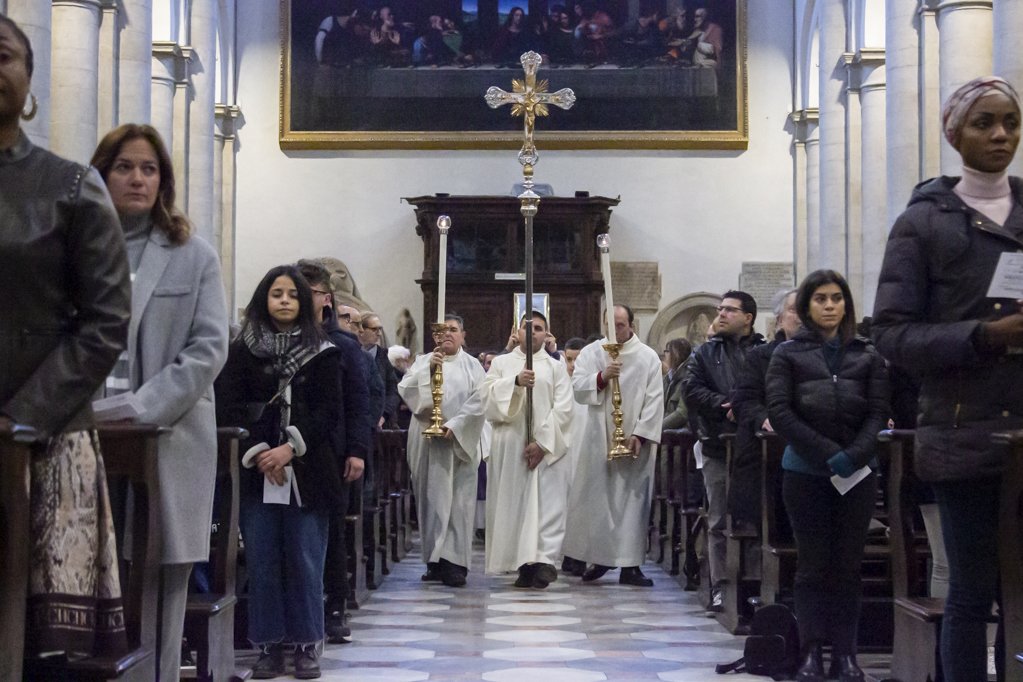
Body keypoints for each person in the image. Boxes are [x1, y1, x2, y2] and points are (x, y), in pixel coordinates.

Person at [872, 76, 1023, 682]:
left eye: (1011, 123)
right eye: (985, 123)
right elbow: (892, 334)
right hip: (965, 435)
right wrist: (984, 336)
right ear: (954, 132)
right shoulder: (925, 222)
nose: (1001, 135)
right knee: (972, 593)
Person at [0, 14, 131, 663]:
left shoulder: (70, 186)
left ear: (28, 82)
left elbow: (106, 320)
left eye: (2, 55)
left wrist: (22, 418)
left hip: (41, 436)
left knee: (36, 648)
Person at [90, 123, 230, 680]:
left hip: (167, 437)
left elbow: (208, 348)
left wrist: (141, 410)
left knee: (161, 580)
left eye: (149, 168)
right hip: (85, 431)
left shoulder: (192, 255)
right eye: (124, 166)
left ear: (164, 181)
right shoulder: (75, 247)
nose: (137, 178)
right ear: (102, 173)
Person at [215, 265, 352, 679]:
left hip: (307, 470)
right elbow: (228, 404)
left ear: (305, 302)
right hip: (258, 470)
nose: (286, 301)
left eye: (293, 294)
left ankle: (307, 645)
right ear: (264, 298)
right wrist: (260, 451)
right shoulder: (242, 350)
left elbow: (330, 411)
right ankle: (269, 647)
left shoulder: (325, 351)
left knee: (305, 559)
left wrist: (289, 448)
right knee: (262, 561)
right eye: (277, 294)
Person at [766, 270, 889, 682]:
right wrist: (827, 452)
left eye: (837, 298)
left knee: (848, 566)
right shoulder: (786, 354)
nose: (830, 305)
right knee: (814, 566)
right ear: (806, 306)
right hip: (805, 472)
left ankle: (846, 656)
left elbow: (877, 412)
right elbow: (781, 412)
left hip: (857, 474)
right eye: (820, 298)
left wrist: (854, 455)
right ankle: (811, 654)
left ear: (847, 304)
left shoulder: (867, 353)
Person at [295, 259, 370, 644]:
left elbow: (359, 401)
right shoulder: (283, 340)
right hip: (290, 453)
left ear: (326, 299)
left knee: (333, 531)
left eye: (305, 292)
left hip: (333, 451)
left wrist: (356, 450)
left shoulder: (341, 345)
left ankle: (335, 605)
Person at [562, 305, 664, 586]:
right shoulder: (592, 353)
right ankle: (601, 559)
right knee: (599, 502)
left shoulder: (647, 357)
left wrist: (641, 434)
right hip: (597, 437)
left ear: (631, 325)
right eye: (610, 324)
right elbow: (578, 388)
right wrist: (601, 377)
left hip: (634, 441)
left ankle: (631, 566)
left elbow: (655, 399)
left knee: (633, 503)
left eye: (620, 325)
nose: (615, 330)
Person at [683, 290, 764, 612]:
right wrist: (723, 405)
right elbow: (691, 389)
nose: (721, 315)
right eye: (720, 309)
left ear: (748, 317)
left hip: (755, 448)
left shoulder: (764, 351)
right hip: (717, 443)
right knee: (717, 519)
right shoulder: (705, 353)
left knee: (756, 518)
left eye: (730, 310)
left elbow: (771, 389)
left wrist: (745, 407)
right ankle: (720, 585)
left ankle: (756, 584)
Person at [481, 312, 573, 588]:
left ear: (547, 334)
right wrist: (516, 383)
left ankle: (543, 561)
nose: (532, 333)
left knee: (544, 506)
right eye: (527, 328)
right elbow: (486, 397)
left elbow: (565, 408)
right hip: (511, 444)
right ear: (516, 331)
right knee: (516, 505)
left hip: (545, 449)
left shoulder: (556, 368)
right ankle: (521, 564)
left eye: (539, 329)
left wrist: (543, 443)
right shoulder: (502, 364)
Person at [398, 314, 486, 587]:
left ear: (463, 335)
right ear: (435, 335)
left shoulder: (473, 366)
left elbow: (481, 401)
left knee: (459, 503)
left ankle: (455, 563)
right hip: (427, 440)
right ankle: (434, 561)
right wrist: (428, 372)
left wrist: (457, 425)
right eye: (443, 330)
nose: (448, 334)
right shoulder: (424, 361)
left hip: (460, 441)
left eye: (454, 329)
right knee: (430, 499)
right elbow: (407, 391)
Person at [662, 338, 692, 430]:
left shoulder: (688, 377)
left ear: (676, 354)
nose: (664, 355)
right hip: (667, 434)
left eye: (667, 351)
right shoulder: (669, 377)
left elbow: (682, 413)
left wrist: (656, 428)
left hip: (680, 436)